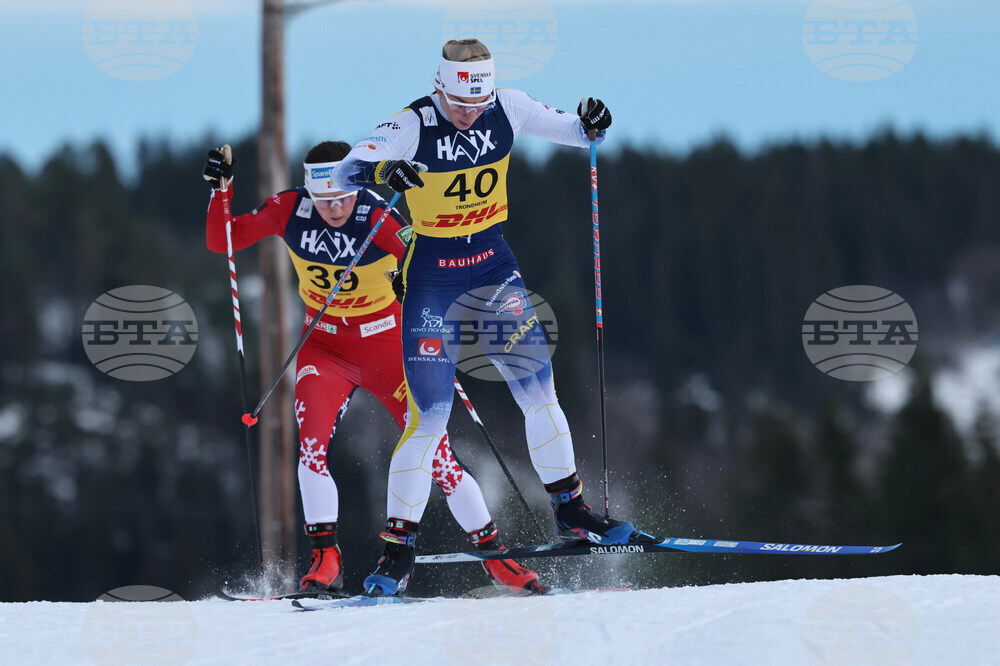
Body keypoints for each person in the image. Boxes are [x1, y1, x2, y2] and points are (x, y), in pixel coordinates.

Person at [330, 39, 656, 596]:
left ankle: (571, 511)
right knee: (429, 419)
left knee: (538, 392)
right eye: (460, 104)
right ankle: (397, 552)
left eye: (477, 105)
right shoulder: (413, 122)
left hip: (492, 267)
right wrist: (386, 170)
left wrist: (593, 121)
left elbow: (580, 133)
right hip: (433, 277)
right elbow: (345, 172)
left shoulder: (508, 106)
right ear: (440, 87)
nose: (470, 114)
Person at [203, 140, 543, 595]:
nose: (336, 208)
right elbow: (222, 239)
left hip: (388, 345)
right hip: (324, 348)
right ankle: (326, 559)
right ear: (310, 193)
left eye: (343, 195)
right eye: (325, 200)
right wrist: (219, 192)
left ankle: (497, 557)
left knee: (437, 456)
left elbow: (427, 263)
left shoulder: (379, 215)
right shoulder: (289, 210)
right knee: (311, 447)